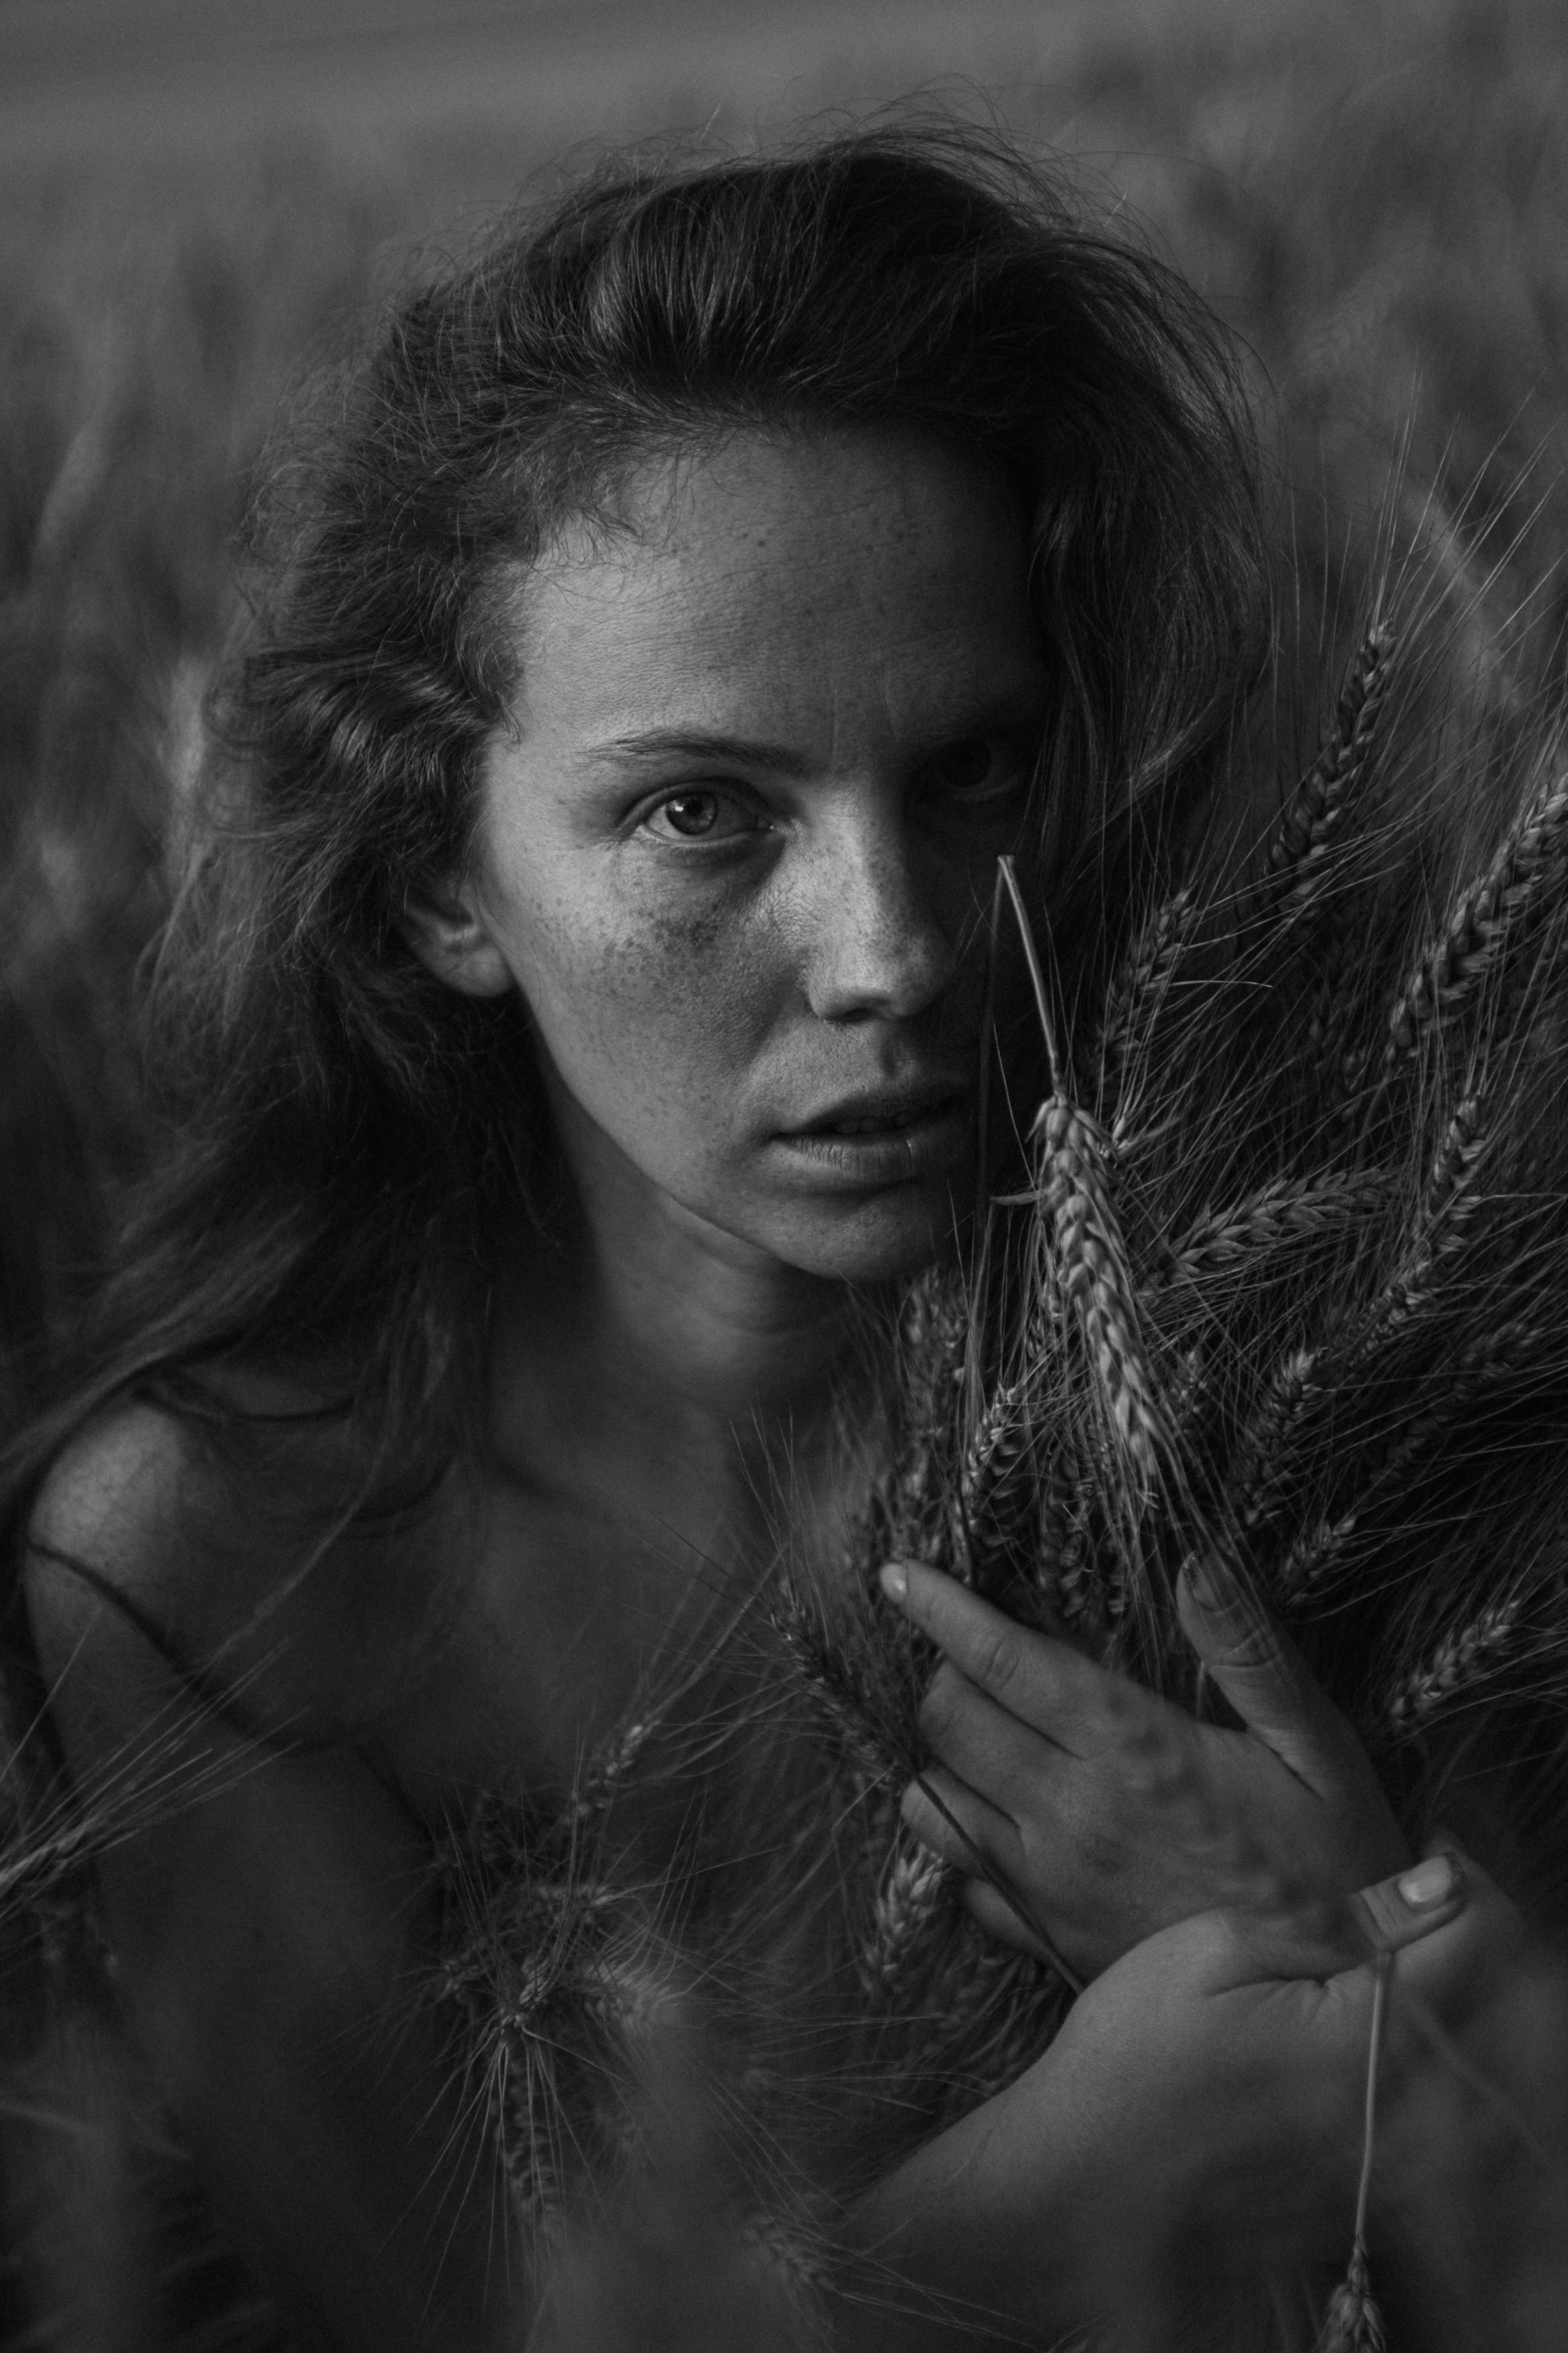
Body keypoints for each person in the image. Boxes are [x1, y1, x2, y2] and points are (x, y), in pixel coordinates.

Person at [4, 129, 1522, 2350]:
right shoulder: (224, 1560)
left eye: (974, 770)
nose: (893, 947)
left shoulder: (1304, 1335)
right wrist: (1045, 2199)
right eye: (702, 811)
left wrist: (1368, 1935)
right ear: (439, 882)